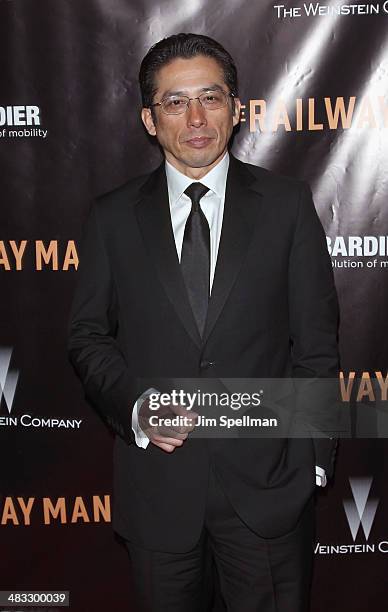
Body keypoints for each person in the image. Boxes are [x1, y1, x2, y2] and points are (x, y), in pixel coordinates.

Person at [68, 33, 339, 612]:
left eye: (211, 97)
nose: (195, 118)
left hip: (269, 489)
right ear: (149, 118)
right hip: (159, 492)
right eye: (175, 102)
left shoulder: (287, 204)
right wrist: (137, 406)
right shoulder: (112, 218)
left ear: (236, 108)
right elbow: (88, 336)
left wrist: (312, 461)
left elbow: (316, 344)